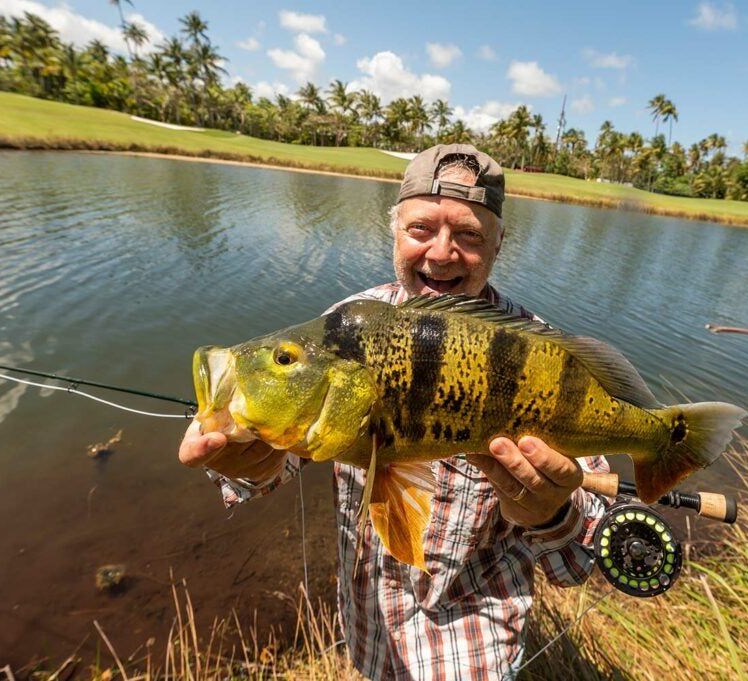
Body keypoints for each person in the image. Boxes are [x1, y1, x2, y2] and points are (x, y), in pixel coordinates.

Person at [179, 144, 608, 680]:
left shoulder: (542, 355)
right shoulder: (345, 327)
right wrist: (246, 463)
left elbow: (578, 561)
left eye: (469, 235)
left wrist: (550, 512)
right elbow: (283, 460)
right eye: (421, 229)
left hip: (473, 645)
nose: (442, 254)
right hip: (369, 628)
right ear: (395, 231)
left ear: (499, 243)